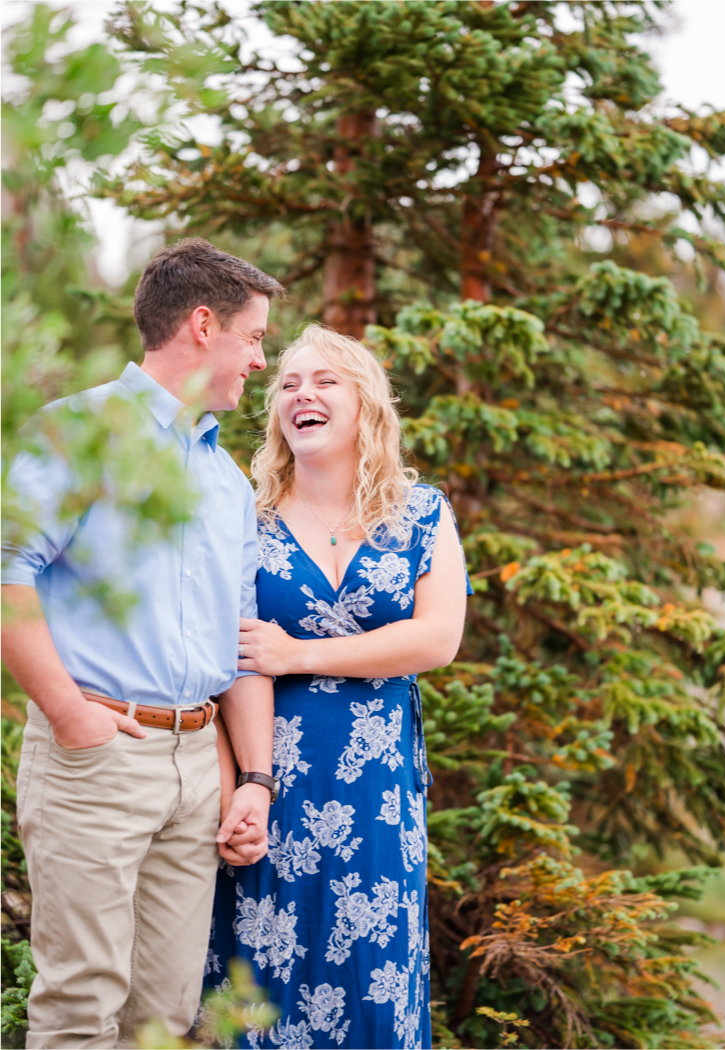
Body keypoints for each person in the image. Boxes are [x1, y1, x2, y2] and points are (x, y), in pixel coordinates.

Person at [1, 238, 284, 1047]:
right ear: (204, 326)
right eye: (256, 336)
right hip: (95, 753)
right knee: (80, 1007)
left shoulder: (224, 478)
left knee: (163, 1014)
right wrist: (68, 714)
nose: (259, 361)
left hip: (197, 766)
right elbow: (5, 570)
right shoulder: (75, 433)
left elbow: (232, 644)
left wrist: (245, 780)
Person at [205, 324, 469, 1050]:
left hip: (376, 789)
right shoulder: (244, 521)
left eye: (325, 381)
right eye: (288, 384)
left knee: (371, 976)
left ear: (366, 404)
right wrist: (238, 792)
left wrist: (296, 652)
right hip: (270, 779)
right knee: (262, 976)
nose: (302, 395)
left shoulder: (421, 513)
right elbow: (226, 663)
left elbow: (436, 639)